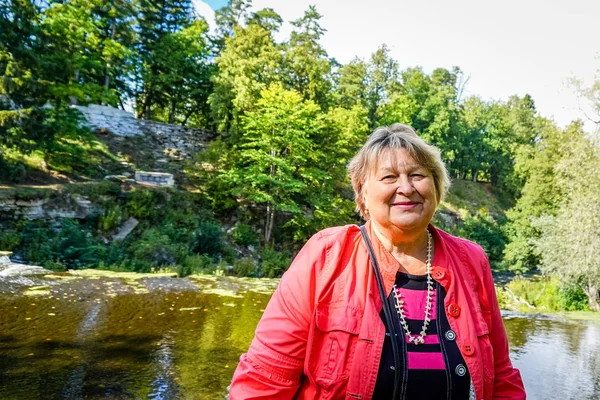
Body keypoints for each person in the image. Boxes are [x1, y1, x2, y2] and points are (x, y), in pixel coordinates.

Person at [230, 124, 526, 400]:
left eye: (418, 175)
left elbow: (501, 378)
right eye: (388, 177)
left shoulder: (471, 260)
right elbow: (263, 379)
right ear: (363, 192)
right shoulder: (326, 255)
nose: (406, 188)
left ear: (436, 186)